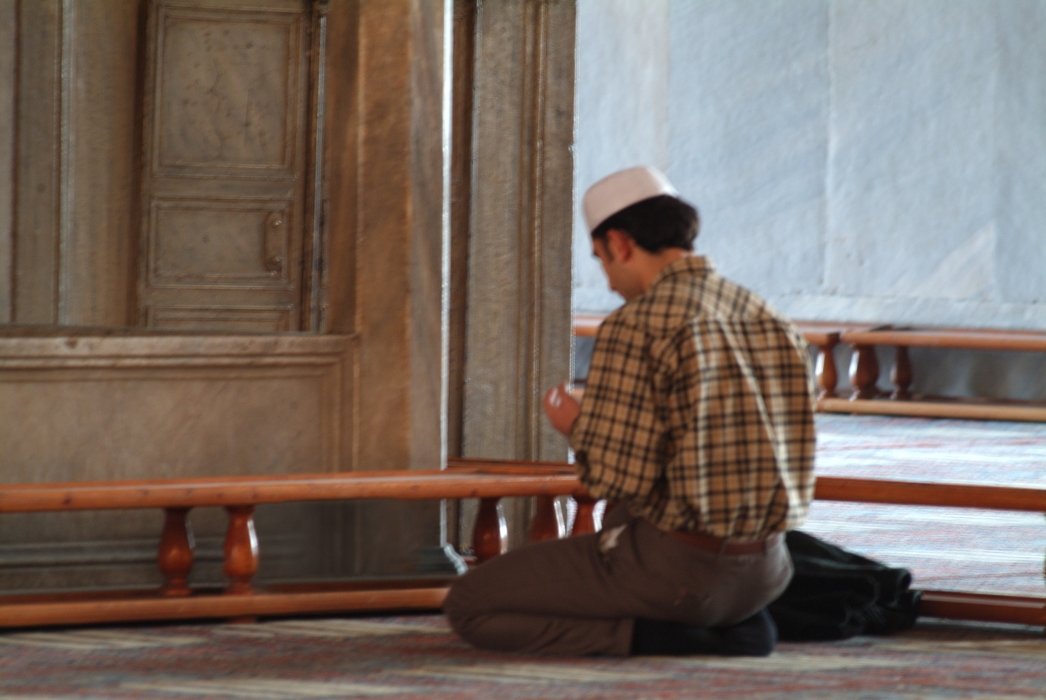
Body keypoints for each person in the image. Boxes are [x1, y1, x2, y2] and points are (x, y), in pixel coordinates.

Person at [444, 165, 816, 657]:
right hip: (771, 570)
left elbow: (616, 482)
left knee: (472, 601)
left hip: (678, 571)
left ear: (620, 243)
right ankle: (732, 622)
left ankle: (663, 636)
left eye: (601, 261)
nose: (611, 282)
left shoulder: (636, 324)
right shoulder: (767, 316)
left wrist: (578, 426)